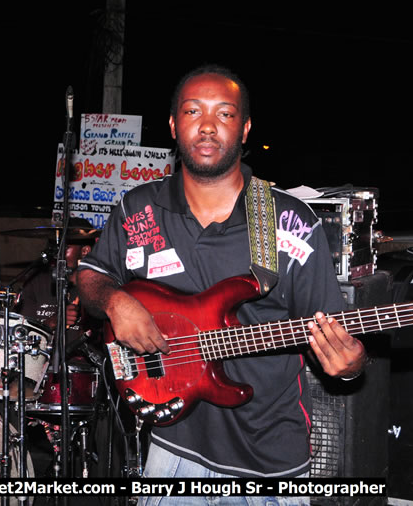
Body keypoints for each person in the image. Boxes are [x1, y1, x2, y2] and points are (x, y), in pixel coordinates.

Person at [77, 65, 366, 503]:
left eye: (225, 114)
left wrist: (352, 363)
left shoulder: (289, 222)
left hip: (268, 463)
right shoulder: (138, 208)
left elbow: (337, 335)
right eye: (193, 111)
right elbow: (91, 275)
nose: (208, 126)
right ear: (174, 125)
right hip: (171, 450)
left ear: (245, 128)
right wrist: (116, 301)